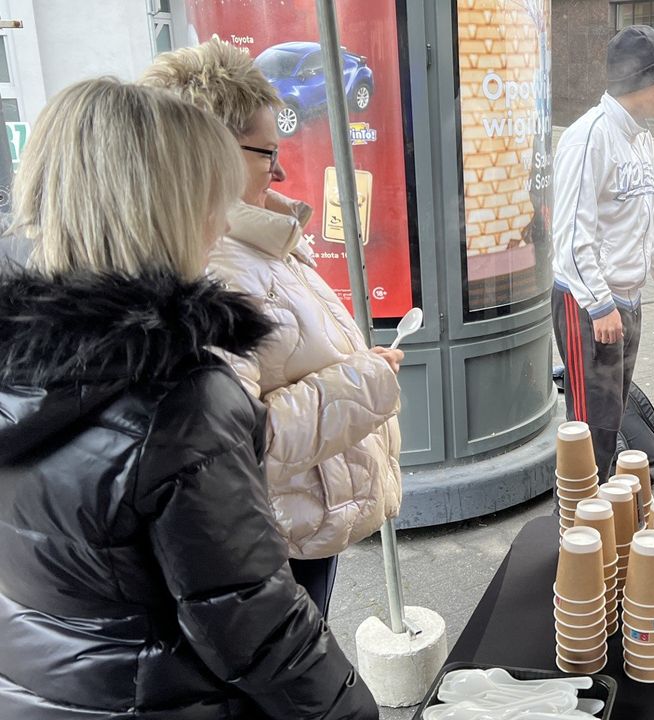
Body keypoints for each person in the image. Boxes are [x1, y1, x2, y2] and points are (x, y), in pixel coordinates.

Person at [0, 78, 376, 719]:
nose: (219, 220)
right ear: (166, 206)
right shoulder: (180, 398)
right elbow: (255, 625)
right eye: (210, 196)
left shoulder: (22, 351)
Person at [141, 39, 404, 617]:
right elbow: (235, 446)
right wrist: (364, 382)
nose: (281, 169)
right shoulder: (204, 271)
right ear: (210, 154)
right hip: (270, 546)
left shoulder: (256, 239)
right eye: (266, 152)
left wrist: (357, 370)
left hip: (298, 523)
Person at [552, 24, 654, 478]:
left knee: (612, 420)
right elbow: (572, 236)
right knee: (589, 429)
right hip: (588, 306)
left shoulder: (642, 138)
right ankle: (574, 531)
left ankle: (606, 520)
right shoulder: (588, 137)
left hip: (628, 302)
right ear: (639, 81)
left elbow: (648, 216)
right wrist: (599, 306)